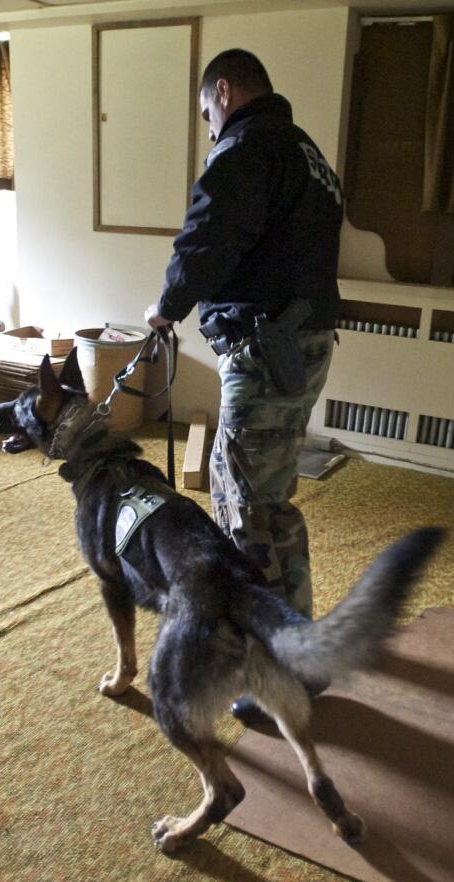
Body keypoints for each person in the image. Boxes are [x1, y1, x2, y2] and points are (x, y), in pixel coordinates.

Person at [144, 49, 343, 725]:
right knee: (268, 503)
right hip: (300, 344)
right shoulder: (308, 154)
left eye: (207, 112)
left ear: (224, 91)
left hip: (265, 352)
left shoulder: (248, 146)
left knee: (252, 514)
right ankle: (302, 646)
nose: (209, 127)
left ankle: (274, 672)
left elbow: (207, 237)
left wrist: (167, 305)